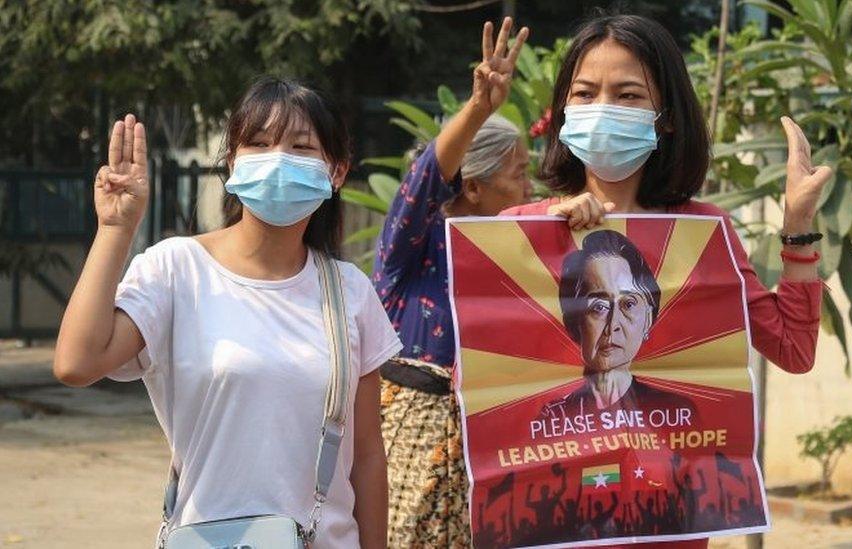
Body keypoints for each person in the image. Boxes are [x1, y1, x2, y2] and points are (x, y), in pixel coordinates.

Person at [502, 12, 830, 548]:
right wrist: (546, 225)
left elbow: (794, 348)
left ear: (667, 117)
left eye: (627, 94)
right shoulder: (520, 230)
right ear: (562, 112)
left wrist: (797, 227)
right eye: (585, 94)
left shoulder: (704, 233)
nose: (602, 108)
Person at [52, 77, 401, 548]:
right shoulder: (176, 269)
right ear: (233, 163)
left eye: (301, 147)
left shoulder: (350, 293)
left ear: (336, 172)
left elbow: (366, 456)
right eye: (259, 144)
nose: (278, 160)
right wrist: (116, 229)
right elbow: (76, 363)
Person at [372, 17, 531, 547]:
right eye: (519, 174)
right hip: (409, 438)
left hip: (488, 446)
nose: (530, 188)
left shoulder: (517, 251)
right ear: (475, 186)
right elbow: (421, 184)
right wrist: (480, 108)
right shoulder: (413, 245)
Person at [552, 229, 696, 413]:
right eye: (599, 307)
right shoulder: (555, 418)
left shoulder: (675, 411)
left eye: (628, 304)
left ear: (647, 320)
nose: (613, 326)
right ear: (574, 324)